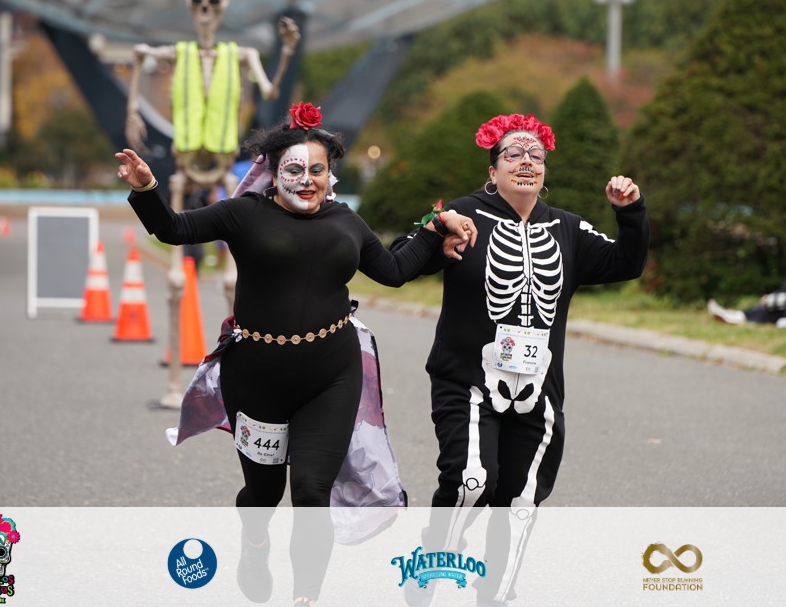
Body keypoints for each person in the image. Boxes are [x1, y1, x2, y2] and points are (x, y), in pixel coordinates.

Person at [116, 103, 473, 606]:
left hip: (331, 377)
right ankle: (255, 543)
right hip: (255, 380)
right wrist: (145, 188)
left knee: (310, 493)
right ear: (274, 170)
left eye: (318, 170)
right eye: (296, 170)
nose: (307, 181)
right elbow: (173, 229)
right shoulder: (244, 213)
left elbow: (394, 271)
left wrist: (434, 231)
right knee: (263, 495)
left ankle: (305, 596)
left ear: (330, 174)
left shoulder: (346, 221)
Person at [392, 113, 649, 606]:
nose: (526, 161)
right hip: (468, 381)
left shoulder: (566, 227)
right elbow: (399, 258)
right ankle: (433, 563)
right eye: (513, 153)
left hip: (539, 389)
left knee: (521, 501)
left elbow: (626, 262)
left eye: (536, 155)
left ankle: (496, 593)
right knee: (471, 482)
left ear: (545, 170)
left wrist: (630, 212)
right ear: (492, 170)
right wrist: (436, 228)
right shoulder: (464, 215)